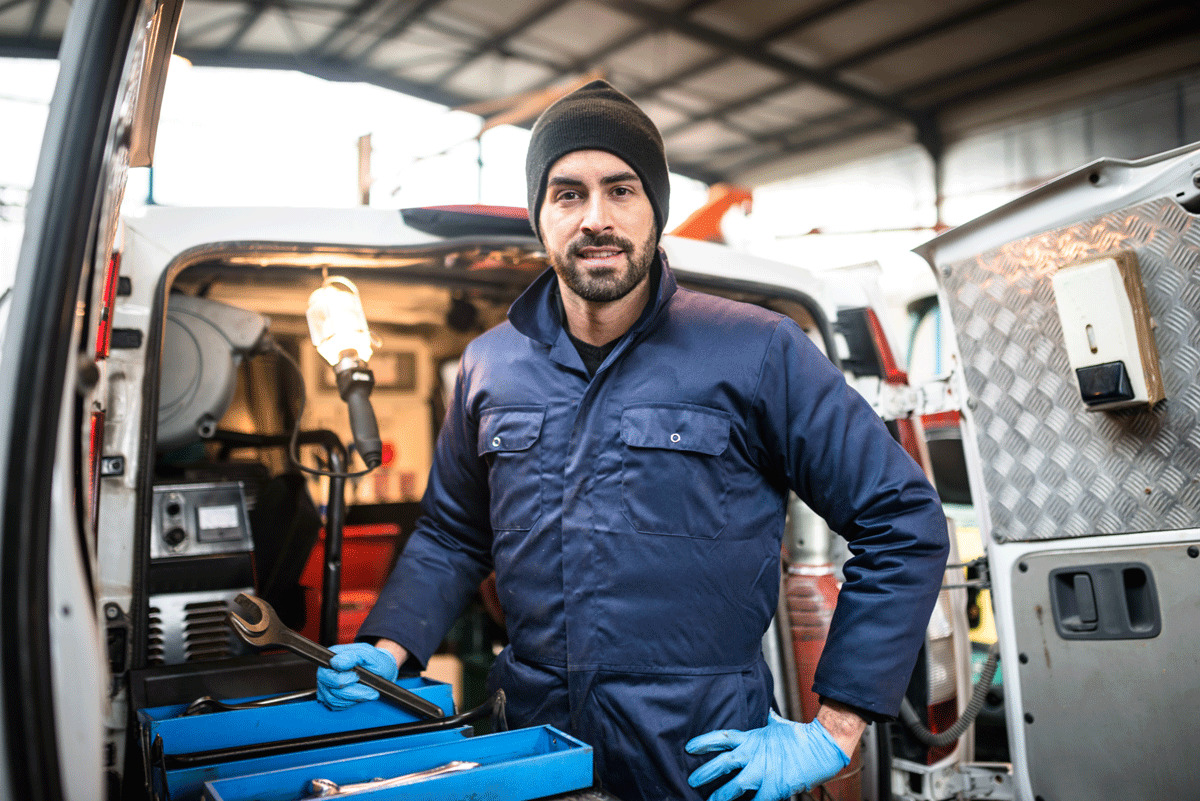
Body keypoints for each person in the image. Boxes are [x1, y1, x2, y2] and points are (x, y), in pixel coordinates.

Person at [316, 80, 950, 801]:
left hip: (702, 761)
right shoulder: (489, 366)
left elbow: (903, 521)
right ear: (540, 215)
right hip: (532, 752)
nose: (596, 218)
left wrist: (833, 728)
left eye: (621, 190)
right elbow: (455, 532)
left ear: (655, 209)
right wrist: (387, 644)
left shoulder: (757, 351)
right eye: (568, 193)